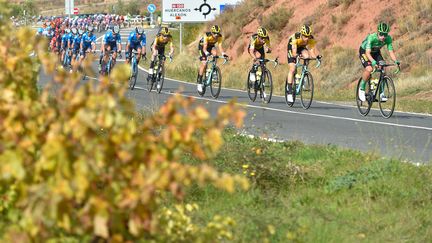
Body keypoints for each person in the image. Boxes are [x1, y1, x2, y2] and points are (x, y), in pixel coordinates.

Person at [358, 22, 400, 102]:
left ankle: (381, 93)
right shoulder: (372, 37)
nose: (383, 36)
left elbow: (391, 52)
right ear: (378, 32)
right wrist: (373, 62)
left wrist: (395, 61)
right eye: (381, 34)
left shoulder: (388, 39)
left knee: (383, 67)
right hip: (365, 51)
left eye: (385, 34)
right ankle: (362, 88)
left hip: (376, 52)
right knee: (369, 69)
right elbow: (367, 53)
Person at [285, 25, 321, 103]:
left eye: (308, 36)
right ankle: (289, 91)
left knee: (307, 56)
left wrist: (316, 57)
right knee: (293, 68)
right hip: (292, 47)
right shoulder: (296, 37)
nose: (306, 38)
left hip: (301, 47)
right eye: (305, 36)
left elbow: (312, 52)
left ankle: (303, 75)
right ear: (301, 34)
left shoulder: (311, 39)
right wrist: (298, 56)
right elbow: (294, 53)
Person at [196, 25, 228, 93]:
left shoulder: (219, 37)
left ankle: (213, 71)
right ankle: (199, 82)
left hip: (210, 46)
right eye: (215, 33)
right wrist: (207, 53)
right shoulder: (207, 35)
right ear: (212, 33)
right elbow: (204, 48)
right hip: (202, 46)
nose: (216, 35)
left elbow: (220, 46)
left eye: (217, 33)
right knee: (204, 63)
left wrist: (223, 54)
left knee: (215, 54)